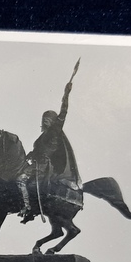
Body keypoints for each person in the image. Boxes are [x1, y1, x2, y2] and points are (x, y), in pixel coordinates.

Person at [21, 77, 81, 223]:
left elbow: (64, 112)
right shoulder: (42, 137)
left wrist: (66, 94)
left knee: (22, 179)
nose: (45, 121)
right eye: (44, 119)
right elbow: (39, 150)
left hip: (46, 166)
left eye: (48, 119)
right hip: (38, 163)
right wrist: (30, 154)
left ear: (53, 121)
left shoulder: (55, 130)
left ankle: (28, 208)